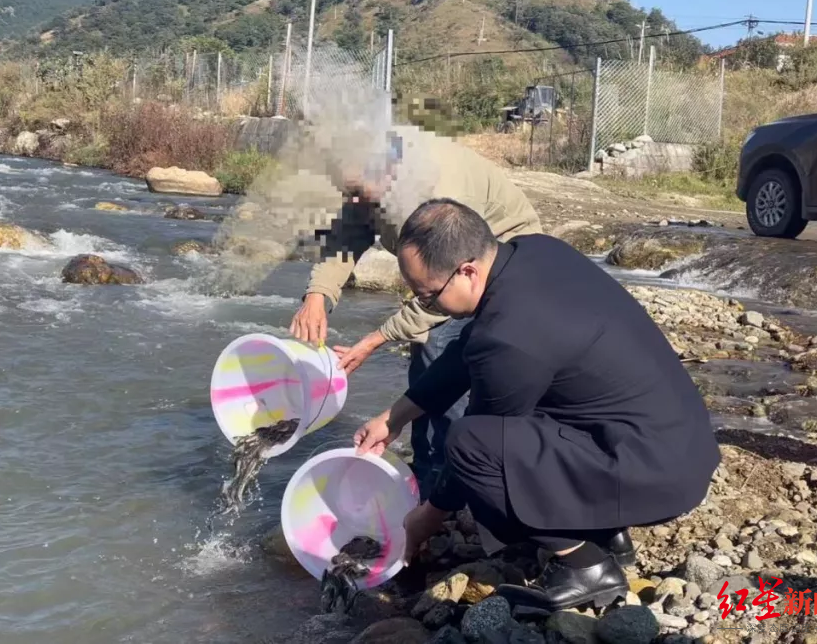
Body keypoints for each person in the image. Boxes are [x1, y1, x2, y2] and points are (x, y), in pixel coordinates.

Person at [352, 198, 721, 612]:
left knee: (470, 442)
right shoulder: (536, 251)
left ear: (467, 271)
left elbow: (479, 447)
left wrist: (428, 516)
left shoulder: (509, 337)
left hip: (657, 475)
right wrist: (395, 416)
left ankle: (587, 567)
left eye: (428, 297)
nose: (427, 307)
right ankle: (607, 533)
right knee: (536, 411)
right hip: (676, 443)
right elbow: (467, 350)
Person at [288, 124, 543, 494]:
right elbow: (350, 233)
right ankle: (425, 465)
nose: (354, 203)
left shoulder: (439, 192)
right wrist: (318, 295)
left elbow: (444, 286)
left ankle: (454, 478)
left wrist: (376, 338)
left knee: (444, 355)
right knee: (425, 353)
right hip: (447, 269)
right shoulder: (369, 178)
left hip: (500, 260)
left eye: (358, 194)